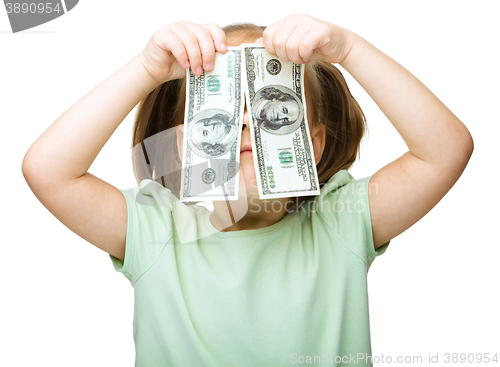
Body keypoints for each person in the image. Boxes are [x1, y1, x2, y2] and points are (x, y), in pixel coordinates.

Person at [21, 13, 473, 367]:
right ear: (182, 145)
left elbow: (445, 150)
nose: (245, 123)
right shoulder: (156, 228)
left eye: (272, 103)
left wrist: (350, 49)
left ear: (312, 146)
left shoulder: (342, 221)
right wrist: (146, 69)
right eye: (220, 104)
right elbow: (48, 170)